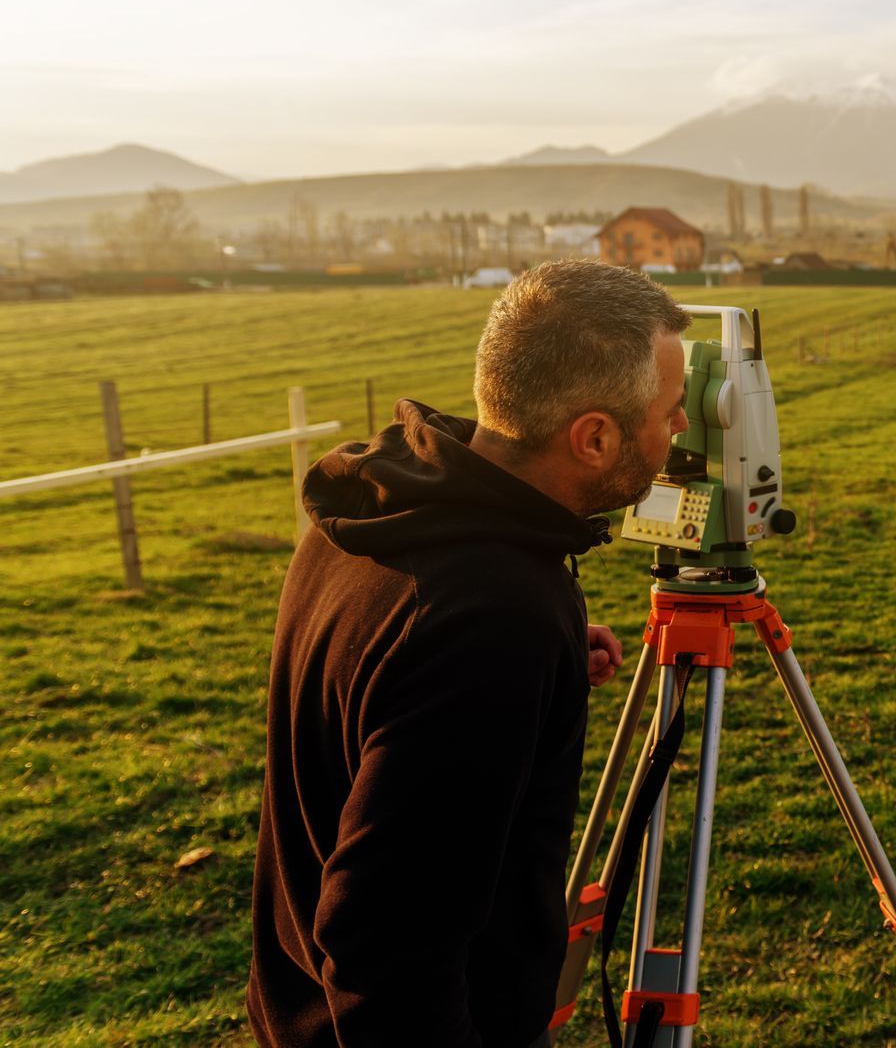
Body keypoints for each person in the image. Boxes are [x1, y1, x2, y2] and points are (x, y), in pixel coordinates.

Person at [248, 261, 692, 1047]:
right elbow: (386, 942)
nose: (681, 430)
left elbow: (379, 672)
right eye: (670, 411)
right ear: (595, 437)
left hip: (294, 1004)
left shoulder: (379, 507)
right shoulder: (491, 615)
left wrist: (536, 663)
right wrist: (509, 652)